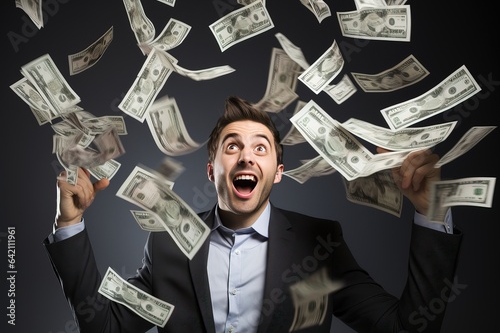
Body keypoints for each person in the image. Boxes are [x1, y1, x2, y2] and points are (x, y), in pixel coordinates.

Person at [44, 96, 462, 333]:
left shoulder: (320, 243)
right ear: (213, 171)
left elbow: (408, 330)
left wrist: (432, 211)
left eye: (261, 147)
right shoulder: (168, 246)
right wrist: (70, 224)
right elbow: (104, 330)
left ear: (277, 173)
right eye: (232, 147)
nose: (246, 156)